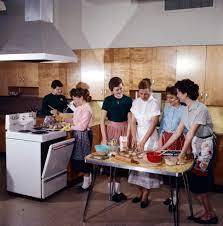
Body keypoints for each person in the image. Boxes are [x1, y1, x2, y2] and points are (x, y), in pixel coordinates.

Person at [159, 79, 218, 224]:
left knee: (200, 184)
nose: (177, 95)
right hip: (197, 146)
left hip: (205, 149)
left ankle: (211, 216)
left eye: (178, 92)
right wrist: (161, 148)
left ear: (185, 93)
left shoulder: (200, 109)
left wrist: (180, 155)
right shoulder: (186, 109)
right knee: (196, 184)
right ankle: (207, 211)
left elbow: (190, 133)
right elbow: (177, 133)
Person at [128, 78, 161, 208]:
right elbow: (132, 121)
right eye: (141, 93)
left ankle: (146, 195)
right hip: (139, 135)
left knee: (146, 169)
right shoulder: (136, 102)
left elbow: (153, 124)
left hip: (150, 137)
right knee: (137, 167)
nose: (143, 96)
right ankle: (140, 192)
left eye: (146, 93)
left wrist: (143, 141)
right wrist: (135, 138)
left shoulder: (155, 103)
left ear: (150, 90)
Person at [100, 76, 132, 202]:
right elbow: (102, 120)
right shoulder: (108, 100)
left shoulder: (128, 100)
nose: (119, 91)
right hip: (111, 131)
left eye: (121, 88)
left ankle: (117, 192)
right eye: (117, 89)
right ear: (111, 90)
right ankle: (111, 192)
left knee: (121, 161)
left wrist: (129, 136)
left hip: (124, 132)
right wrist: (104, 138)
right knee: (110, 161)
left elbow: (130, 120)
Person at [159, 86, 186, 212]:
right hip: (165, 139)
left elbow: (183, 131)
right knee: (166, 170)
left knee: (174, 171)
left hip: (177, 141)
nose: (169, 100)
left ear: (178, 97)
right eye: (167, 97)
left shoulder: (184, 110)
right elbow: (162, 127)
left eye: (172, 98)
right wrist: (160, 143)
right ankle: (170, 196)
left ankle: (175, 199)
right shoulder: (167, 108)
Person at [68, 88, 93, 192]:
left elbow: (82, 126)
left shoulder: (86, 108)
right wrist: (65, 120)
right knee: (80, 160)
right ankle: (87, 182)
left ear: (81, 98)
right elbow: (76, 121)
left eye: (75, 99)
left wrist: (70, 127)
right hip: (78, 135)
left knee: (84, 160)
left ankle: (86, 185)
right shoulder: (79, 107)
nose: (74, 101)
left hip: (84, 136)